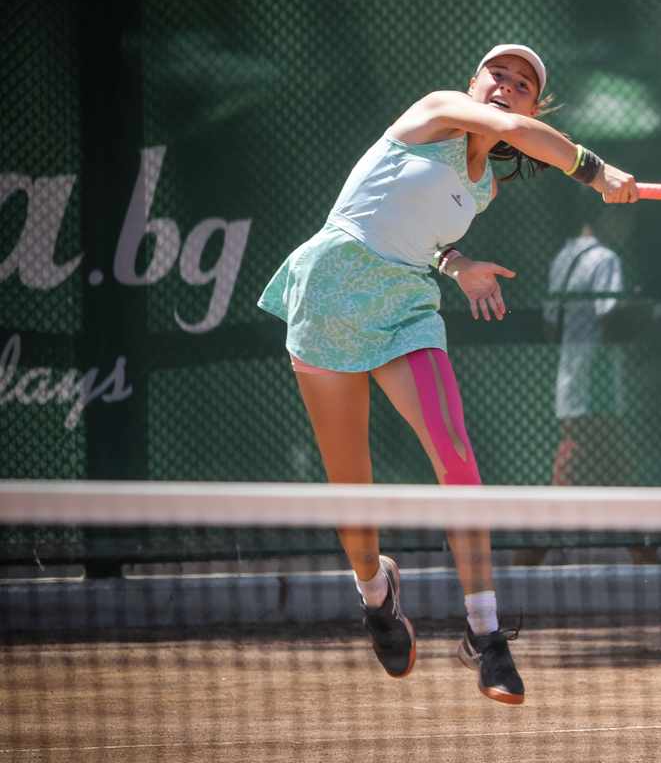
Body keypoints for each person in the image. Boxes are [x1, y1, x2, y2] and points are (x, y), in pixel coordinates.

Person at [257, 44, 638, 705]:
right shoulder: (435, 110)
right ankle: (375, 594)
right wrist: (595, 170)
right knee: (354, 489)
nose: (507, 87)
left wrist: (457, 265)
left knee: (456, 454)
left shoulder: (483, 184)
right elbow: (516, 139)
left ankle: (485, 634)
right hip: (327, 300)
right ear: (473, 82)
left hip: (405, 307)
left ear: (533, 102)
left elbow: (418, 233)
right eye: (499, 74)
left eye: (522, 85)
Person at [515, 214, 659, 565]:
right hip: (598, 382)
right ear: (609, 218)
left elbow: (552, 327)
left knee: (612, 465)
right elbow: (610, 316)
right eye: (624, 218)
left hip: (571, 378)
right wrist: (644, 313)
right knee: (582, 462)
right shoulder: (605, 258)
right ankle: (537, 544)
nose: (627, 226)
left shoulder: (563, 258)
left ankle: (642, 548)